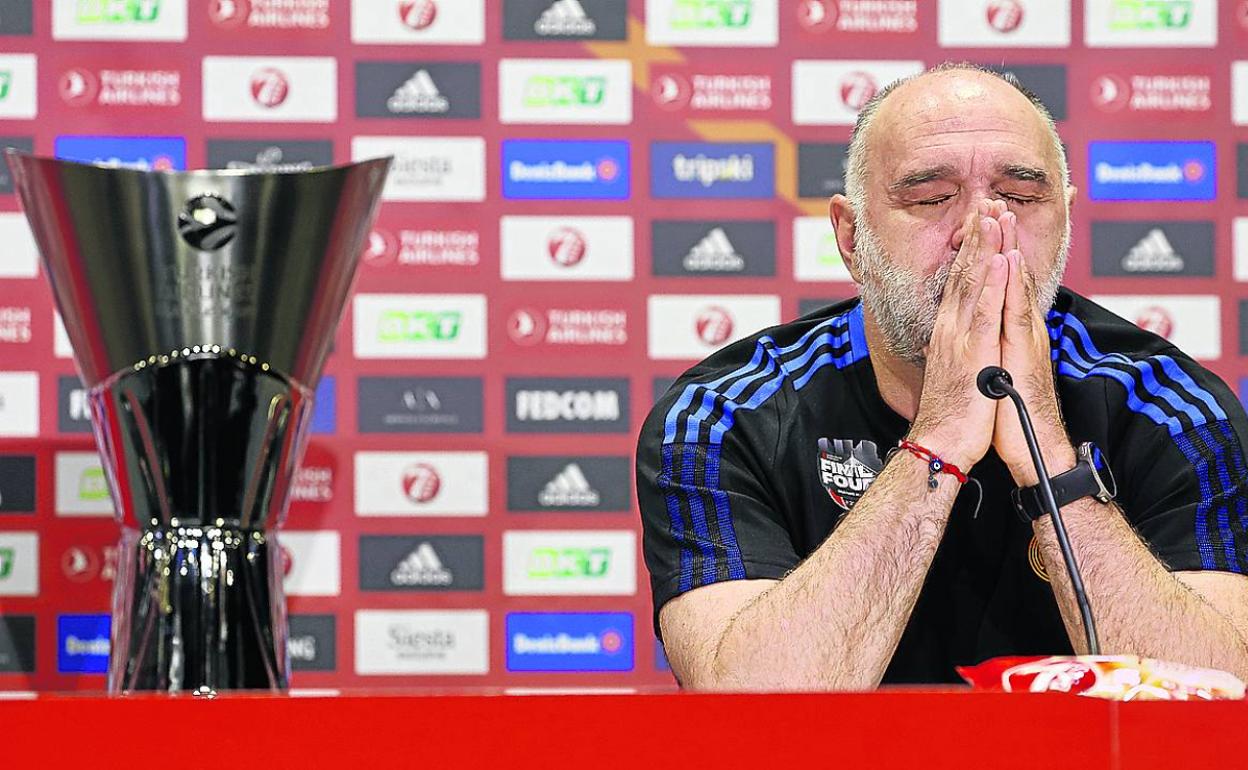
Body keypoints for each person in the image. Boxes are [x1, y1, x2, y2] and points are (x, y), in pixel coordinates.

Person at [635, 63, 1248, 690]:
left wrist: (1052, 462)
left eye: (1021, 198)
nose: (980, 232)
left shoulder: (1171, 405)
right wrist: (941, 438)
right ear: (851, 237)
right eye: (930, 199)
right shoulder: (724, 414)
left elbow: (1218, 702)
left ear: (1064, 221)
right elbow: (752, 716)